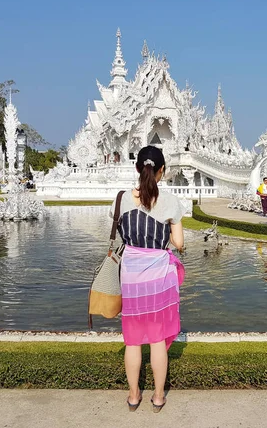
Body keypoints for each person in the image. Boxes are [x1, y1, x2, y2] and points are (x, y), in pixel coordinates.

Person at [110, 145, 185, 413]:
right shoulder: (170, 202)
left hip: (131, 276)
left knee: (132, 340)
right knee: (156, 339)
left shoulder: (120, 199)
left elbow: (118, 231)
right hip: (158, 277)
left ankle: (133, 396)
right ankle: (158, 396)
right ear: (161, 171)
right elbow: (178, 242)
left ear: (137, 168)